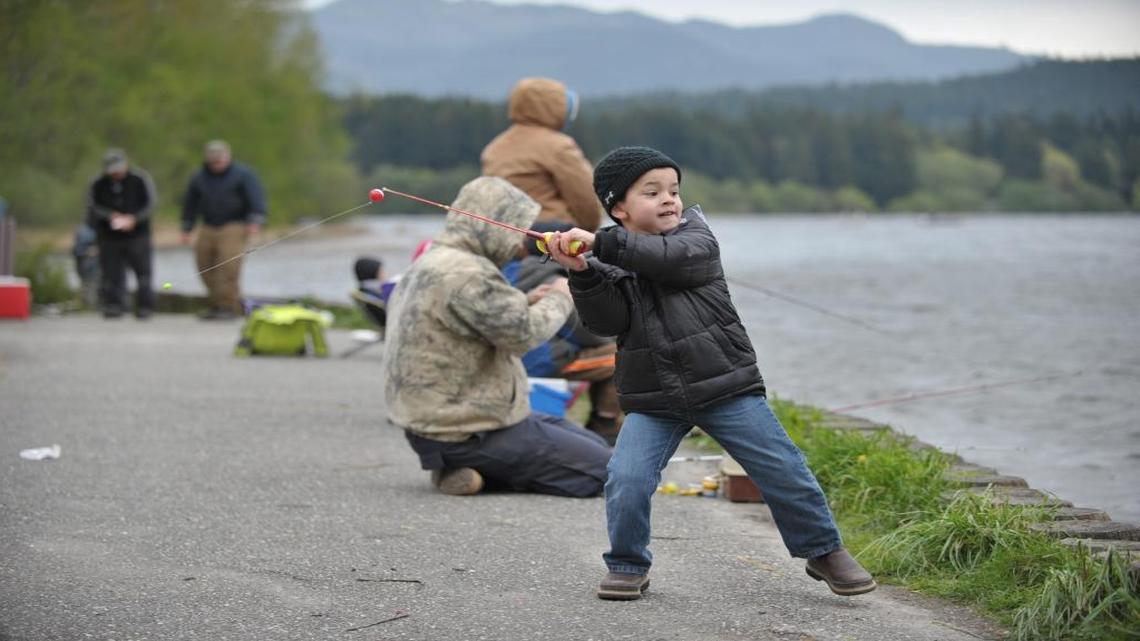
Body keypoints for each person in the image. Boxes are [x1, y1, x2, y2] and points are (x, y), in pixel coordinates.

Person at [545, 146, 876, 600]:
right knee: (626, 478)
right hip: (653, 398)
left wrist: (601, 242)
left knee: (781, 467)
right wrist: (582, 271)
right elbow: (607, 324)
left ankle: (823, 550)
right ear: (618, 207)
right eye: (652, 192)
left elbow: (670, 260)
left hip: (726, 387)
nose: (669, 200)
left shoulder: (695, 238)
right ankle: (627, 563)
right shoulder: (607, 256)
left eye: (674, 190)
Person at [383, 176, 612, 498]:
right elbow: (525, 335)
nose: (520, 241)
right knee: (609, 473)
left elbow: (469, 317)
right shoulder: (467, 275)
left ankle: (462, 472)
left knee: (596, 447)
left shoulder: (437, 260)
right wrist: (563, 292)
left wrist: (527, 300)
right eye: (515, 228)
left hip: (435, 424)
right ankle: (480, 469)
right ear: (494, 225)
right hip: (466, 429)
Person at [503, 221, 623, 443]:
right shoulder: (556, 279)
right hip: (541, 362)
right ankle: (604, 424)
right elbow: (588, 334)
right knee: (625, 355)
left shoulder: (507, 270)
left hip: (507, 360)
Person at [481, 77, 603, 231]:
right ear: (554, 107)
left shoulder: (494, 148)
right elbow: (585, 199)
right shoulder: (559, 146)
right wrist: (588, 232)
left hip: (506, 238)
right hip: (550, 235)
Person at [181, 140, 267, 320]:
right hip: (208, 225)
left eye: (219, 160)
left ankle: (228, 307)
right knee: (204, 264)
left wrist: (255, 220)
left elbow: (256, 198)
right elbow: (190, 203)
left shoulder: (243, 175)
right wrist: (187, 227)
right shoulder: (199, 177)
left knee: (228, 266)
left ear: (227, 157)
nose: (217, 164)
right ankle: (216, 304)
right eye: (213, 161)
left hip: (234, 225)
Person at [85, 148, 157, 319]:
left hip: (138, 235)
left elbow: (150, 204)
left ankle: (144, 307)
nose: (116, 173)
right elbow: (92, 207)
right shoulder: (98, 183)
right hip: (109, 236)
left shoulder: (140, 179)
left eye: (118, 169)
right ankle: (114, 305)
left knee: (143, 273)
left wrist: (134, 219)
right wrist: (110, 216)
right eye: (112, 170)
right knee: (111, 272)